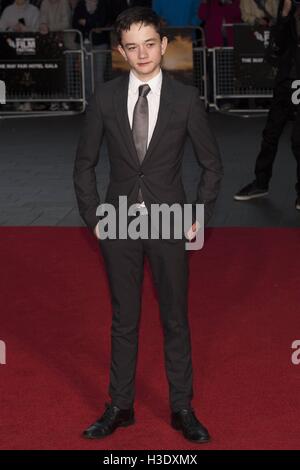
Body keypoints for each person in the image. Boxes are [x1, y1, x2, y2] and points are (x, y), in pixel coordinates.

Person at [73, 6, 223, 443]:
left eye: (150, 44)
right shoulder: (103, 98)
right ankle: (120, 406)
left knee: (175, 318)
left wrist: (199, 214)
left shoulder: (186, 100)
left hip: (170, 220)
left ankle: (182, 407)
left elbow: (211, 165)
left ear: (164, 44)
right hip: (117, 220)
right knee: (124, 318)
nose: (142, 54)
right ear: (121, 50)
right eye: (132, 46)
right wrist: (93, 215)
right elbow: (84, 164)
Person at [234, 0, 300, 211]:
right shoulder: (286, 9)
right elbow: (278, 43)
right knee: (270, 132)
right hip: (285, 77)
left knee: (298, 140)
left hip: (299, 79)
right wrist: (285, 14)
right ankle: (261, 183)